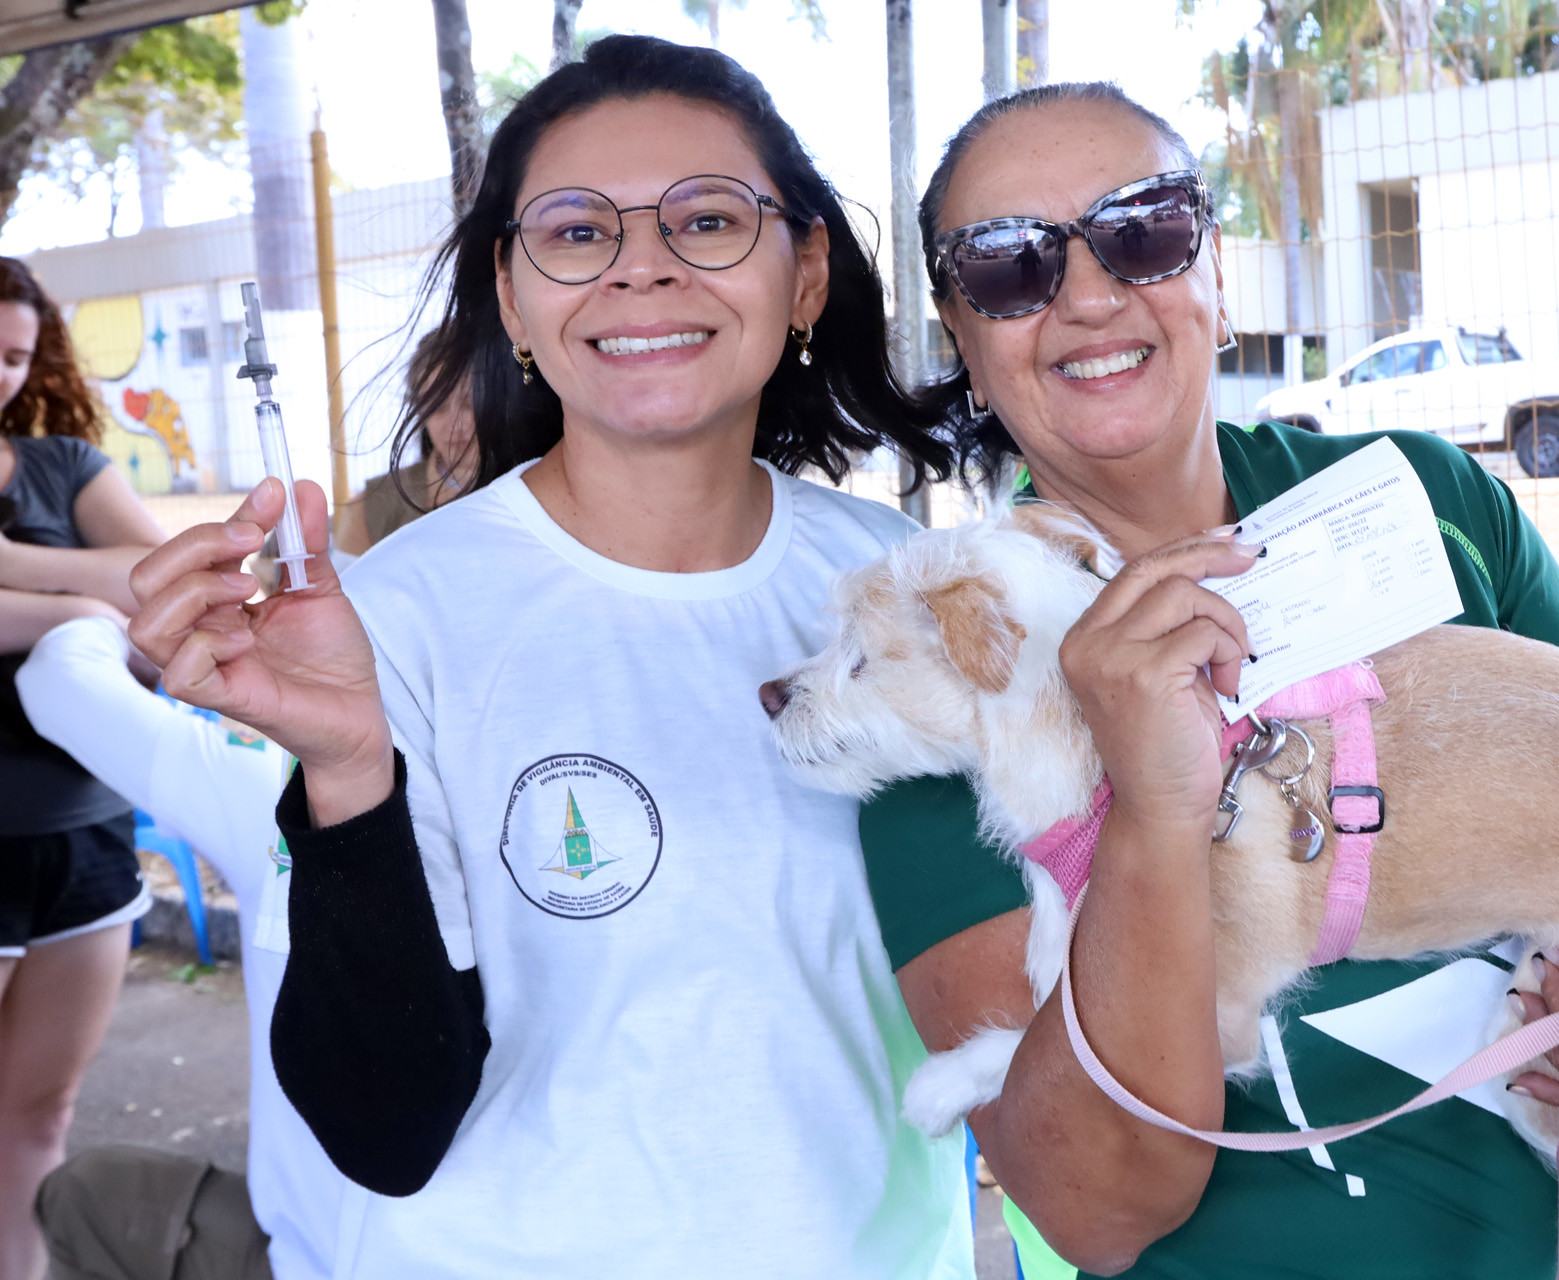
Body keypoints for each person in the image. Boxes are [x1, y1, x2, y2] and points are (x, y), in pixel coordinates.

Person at [857, 83, 1559, 1279]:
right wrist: (1153, 801)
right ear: (958, 332)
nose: (1086, 292)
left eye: (1144, 226)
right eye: (1009, 264)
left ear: (1213, 274)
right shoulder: (943, 667)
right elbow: (1099, 1210)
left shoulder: (1430, 502)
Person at [125, 36, 973, 1279]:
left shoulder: (901, 588)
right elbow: (382, 1125)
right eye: (578, 233)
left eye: (708, 219)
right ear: (514, 300)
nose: (642, 266)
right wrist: (351, 771)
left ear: (804, 276)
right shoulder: (393, 615)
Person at [18, 614, 347, 1280]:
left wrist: (97, 607)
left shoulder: (282, 794)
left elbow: (59, 673)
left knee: (85, 1196)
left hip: (324, 1255)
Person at [0, 256, 166, 1280]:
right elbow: (121, 605)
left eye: (13, 356)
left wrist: (20, 565)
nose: (0, 375)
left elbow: (172, 581)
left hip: (86, 843)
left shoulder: (62, 466)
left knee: (38, 1113)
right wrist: (79, 609)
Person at [331, 324, 477, 556]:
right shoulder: (371, 509)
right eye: (437, 406)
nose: (455, 424)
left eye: (470, 402)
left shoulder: (536, 486)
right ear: (420, 411)